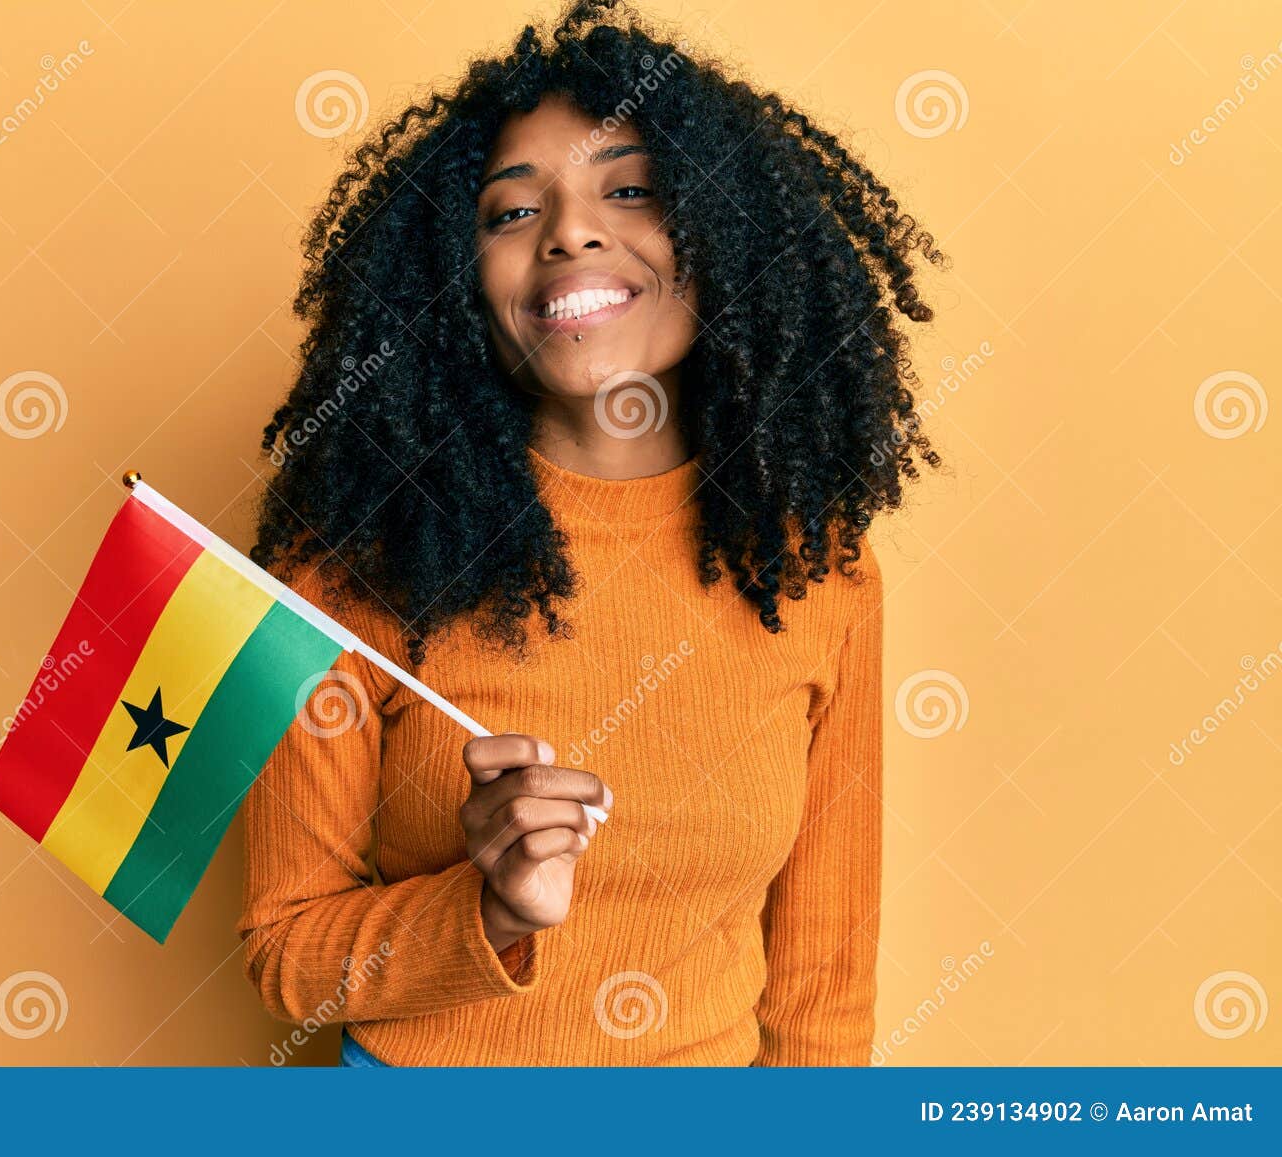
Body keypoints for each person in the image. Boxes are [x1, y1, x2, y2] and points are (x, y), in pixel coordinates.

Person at [236, 0, 946, 1067]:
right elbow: (285, 953)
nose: (570, 230)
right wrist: (489, 908)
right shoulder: (347, 567)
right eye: (511, 212)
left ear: (724, 239)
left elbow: (824, 991)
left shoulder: (819, 572)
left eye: (628, 190)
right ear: (454, 286)